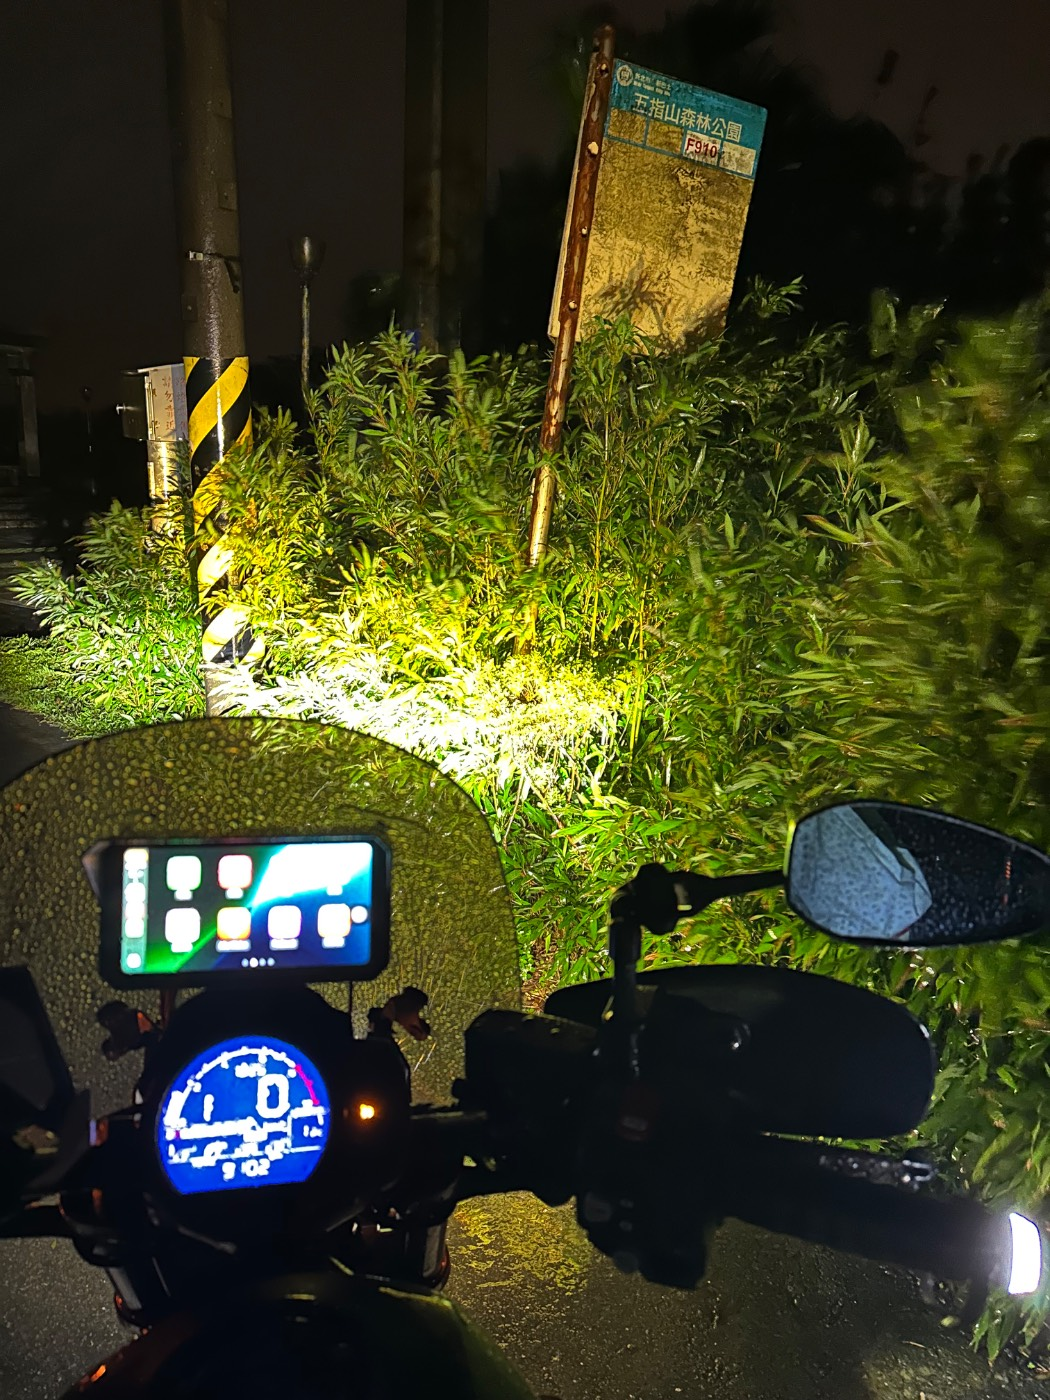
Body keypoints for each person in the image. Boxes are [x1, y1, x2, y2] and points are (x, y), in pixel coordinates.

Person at [788, 804, 933, 940]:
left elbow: (901, 857)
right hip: (823, 841)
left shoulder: (918, 905)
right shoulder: (850, 934)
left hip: (853, 832)